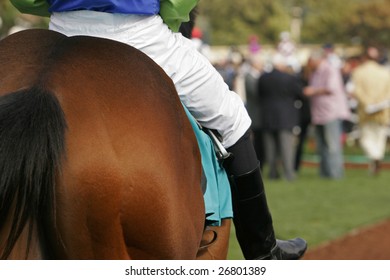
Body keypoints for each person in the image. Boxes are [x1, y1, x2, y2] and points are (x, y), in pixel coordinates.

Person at [11, 0, 307, 260]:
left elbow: (25, 0)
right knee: (233, 117)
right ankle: (264, 250)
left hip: (62, 28)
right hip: (138, 33)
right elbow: (178, 5)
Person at [304, 49, 351, 179]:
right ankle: (325, 174)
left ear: (317, 59)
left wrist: (312, 91)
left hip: (331, 113)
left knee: (332, 146)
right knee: (321, 146)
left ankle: (336, 174)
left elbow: (331, 89)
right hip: (319, 114)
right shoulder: (315, 73)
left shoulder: (330, 70)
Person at [257, 54, 304, 181]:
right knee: (287, 147)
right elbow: (299, 94)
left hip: (267, 116)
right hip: (286, 116)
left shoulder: (263, 78)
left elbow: (259, 95)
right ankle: (289, 173)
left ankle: (272, 173)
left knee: (270, 148)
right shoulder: (289, 78)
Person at [349, 47, 390, 175]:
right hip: (382, 112)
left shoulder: (358, 72)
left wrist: (369, 104)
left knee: (367, 138)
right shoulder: (384, 72)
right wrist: (380, 103)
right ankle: (376, 160)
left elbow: (358, 91)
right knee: (379, 137)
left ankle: (374, 157)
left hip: (365, 111)